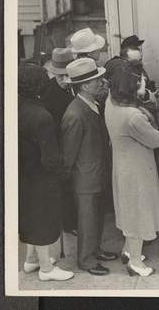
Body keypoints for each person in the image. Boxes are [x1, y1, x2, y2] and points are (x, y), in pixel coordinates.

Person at [105, 62, 159, 277]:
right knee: (139, 213)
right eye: (141, 81)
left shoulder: (110, 102)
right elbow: (157, 140)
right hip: (138, 170)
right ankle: (136, 263)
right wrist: (149, 116)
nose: (144, 82)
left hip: (122, 165)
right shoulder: (134, 117)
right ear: (131, 87)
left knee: (129, 211)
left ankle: (128, 250)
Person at [61, 58, 118, 276]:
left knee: (96, 217)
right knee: (87, 221)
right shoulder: (75, 114)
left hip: (96, 174)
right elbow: (68, 155)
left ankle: (95, 250)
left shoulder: (91, 105)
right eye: (97, 80)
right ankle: (85, 260)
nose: (102, 82)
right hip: (85, 178)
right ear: (84, 86)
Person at [18, 63, 74, 281]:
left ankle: (31, 261)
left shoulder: (16, 107)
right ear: (39, 85)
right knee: (43, 220)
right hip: (41, 176)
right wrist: (62, 168)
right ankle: (46, 270)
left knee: (31, 217)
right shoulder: (41, 116)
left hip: (23, 173)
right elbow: (50, 158)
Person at [39, 48, 78, 235]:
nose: (64, 80)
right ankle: (69, 223)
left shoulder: (75, 84)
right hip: (60, 144)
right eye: (59, 76)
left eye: (67, 75)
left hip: (74, 141)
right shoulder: (48, 93)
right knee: (65, 187)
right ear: (53, 73)